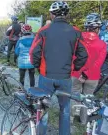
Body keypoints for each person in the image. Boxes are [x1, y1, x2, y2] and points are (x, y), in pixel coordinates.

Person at [29, 1, 88, 135]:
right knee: (65, 110)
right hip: (65, 77)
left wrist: (38, 67)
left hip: (46, 76)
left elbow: (33, 53)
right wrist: (74, 68)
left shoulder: (44, 31)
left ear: (51, 14)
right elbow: (84, 55)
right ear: (66, 15)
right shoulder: (75, 31)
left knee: (43, 108)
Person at [71, 13, 107, 124]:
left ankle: (72, 118)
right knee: (88, 98)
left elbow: (73, 56)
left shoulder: (78, 38)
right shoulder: (102, 44)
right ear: (97, 28)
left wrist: (81, 72)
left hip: (76, 73)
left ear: (86, 26)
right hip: (92, 76)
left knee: (74, 96)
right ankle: (83, 120)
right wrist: (86, 74)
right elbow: (99, 63)